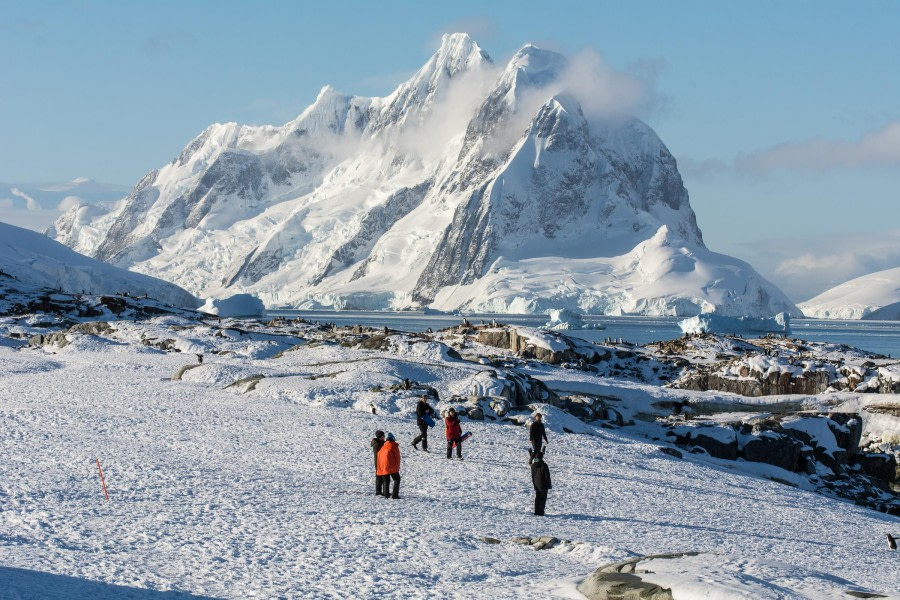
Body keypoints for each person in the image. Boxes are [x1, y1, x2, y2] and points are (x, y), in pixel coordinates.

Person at [377, 432, 401, 499]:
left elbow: (378, 456)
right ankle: (395, 495)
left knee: (386, 480)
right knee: (397, 479)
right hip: (391, 465)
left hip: (382, 466)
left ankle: (386, 494)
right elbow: (397, 457)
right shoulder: (393, 446)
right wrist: (397, 466)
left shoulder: (383, 447)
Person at [530, 451, 552, 516]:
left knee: (537, 498)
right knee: (542, 499)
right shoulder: (544, 465)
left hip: (536, 484)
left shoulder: (533, 466)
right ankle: (541, 512)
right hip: (544, 485)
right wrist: (549, 484)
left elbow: (532, 476)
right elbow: (547, 476)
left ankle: (536, 511)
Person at [370, 430, 385, 496]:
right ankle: (378, 491)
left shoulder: (380, 442)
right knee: (379, 477)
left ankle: (381, 491)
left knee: (381, 477)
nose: (384, 437)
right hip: (379, 462)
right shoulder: (377, 444)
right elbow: (378, 454)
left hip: (381, 461)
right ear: (379, 437)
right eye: (382, 436)